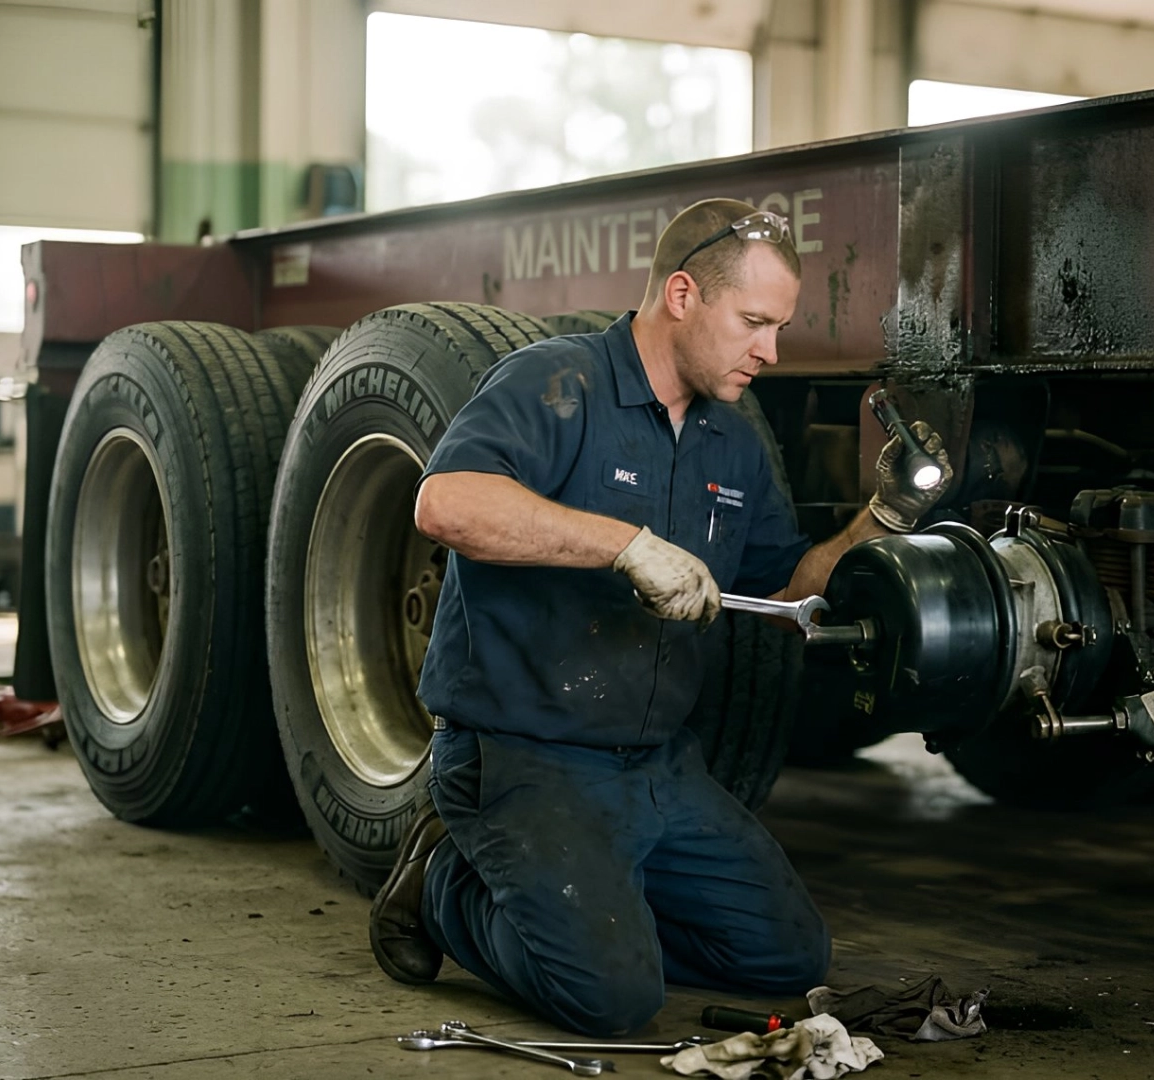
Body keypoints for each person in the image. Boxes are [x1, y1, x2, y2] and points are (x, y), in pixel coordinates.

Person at [368, 198, 953, 1037]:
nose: (771, 350)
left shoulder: (732, 443)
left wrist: (883, 518)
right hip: (523, 754)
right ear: (682, 295)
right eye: (754, 321)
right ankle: (441, 887)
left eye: (778, 327)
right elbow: (448, 504)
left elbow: (791, 595)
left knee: (788, 959)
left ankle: (590, 911)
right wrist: (624, 544)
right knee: (613, 1001)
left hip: (657, 768)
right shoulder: (557, 383)